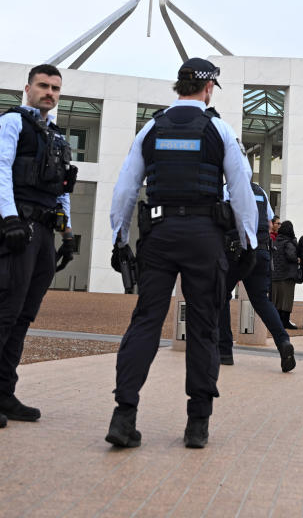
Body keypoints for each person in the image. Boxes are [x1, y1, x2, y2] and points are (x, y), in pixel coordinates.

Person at [105, 58, 257, 450]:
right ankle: (197, 424)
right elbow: (241, 190)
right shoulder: (219, 129)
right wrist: (249, 240)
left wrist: (120, 238)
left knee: (145, 321)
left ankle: (124, 415)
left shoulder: (151, 129)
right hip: (204, 236)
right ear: (209, 89)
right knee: (204, 325)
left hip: (159, 235)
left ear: (179, 87)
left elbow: (125, 188)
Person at [0, 64, 77, 430]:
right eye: (43, 86)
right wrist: (9, 218)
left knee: (24, 314)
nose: (50, 93)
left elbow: (61, 187)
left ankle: (3, 394)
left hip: (43, 229)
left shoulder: (55, 135)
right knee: (4, 310)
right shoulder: (10, 123)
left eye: (55, 88)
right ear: (28, 88)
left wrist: (67, 232)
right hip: (18, 225)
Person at [217, 182, 296, 369]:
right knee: (261, 300)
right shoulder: (260, 191)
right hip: (261, 250)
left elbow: (218, 217)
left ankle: (225, 351)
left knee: (220, 296)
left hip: (234, 250)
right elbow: (270, 222)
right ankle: (283, 342)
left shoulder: (227, 188)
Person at [270, 219, 300, 330]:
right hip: (287, 276)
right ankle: (285, 322)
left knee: (276, 301)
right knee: (286, 300)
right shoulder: (288, 243)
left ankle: (276, 322)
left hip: (275, 275)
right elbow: (291, 256)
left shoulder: (274, 241)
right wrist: (298, 259)